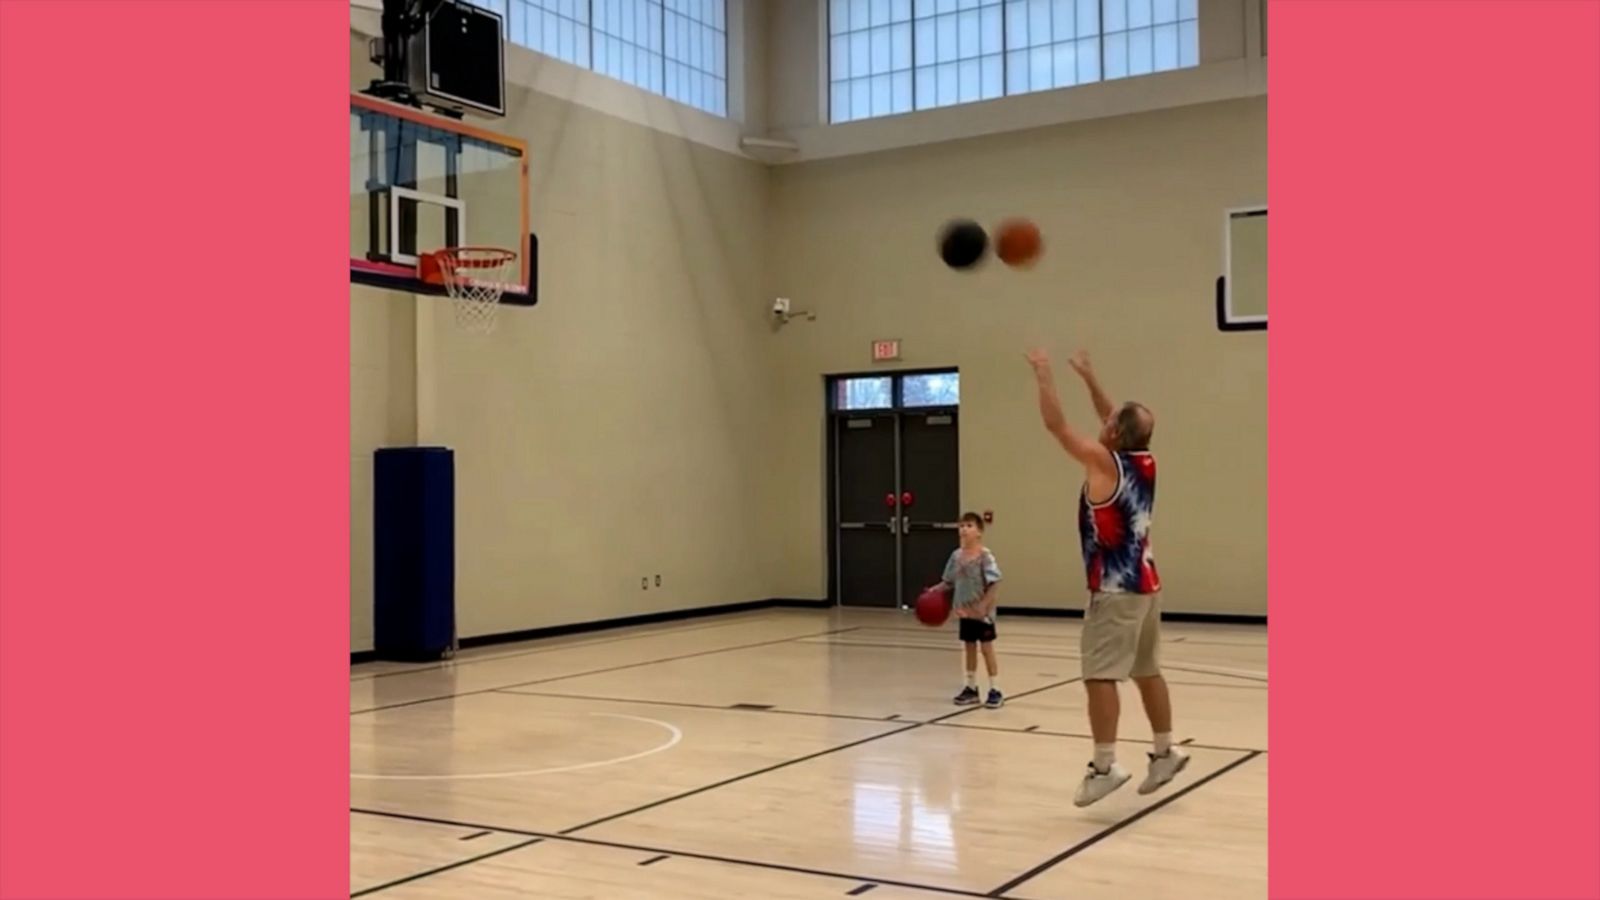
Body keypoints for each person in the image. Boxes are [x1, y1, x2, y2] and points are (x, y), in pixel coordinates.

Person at [1025, 348, 1190, 807]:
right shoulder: (1143, 462)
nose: (1105, 419)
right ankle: (1165, 751)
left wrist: (1044, 375)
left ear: (1115, 433)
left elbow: (1057, 427)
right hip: (1147, 585)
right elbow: (1115, 418)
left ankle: (1104, 765)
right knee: (1147, 669)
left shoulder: (1103, 464)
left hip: (1115, 591)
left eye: (1111, 420)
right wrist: (1090, 377)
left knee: (1099, 677)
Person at [938, 512, 1005, 709]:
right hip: (964, 611)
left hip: (983, 614)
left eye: (969, 525)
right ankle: (971, 687)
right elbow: (948, 581)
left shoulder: (985, 556)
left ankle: (995, 689)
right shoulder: (956, 556)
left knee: (986, 648)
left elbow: (995, 583)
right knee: (969, 647)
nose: (964, 529)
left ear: (979, 532)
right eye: (961, 526)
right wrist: (933, 592)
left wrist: (984, 605)